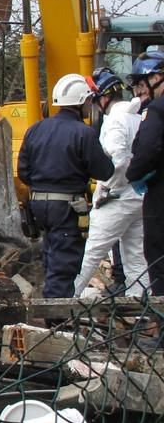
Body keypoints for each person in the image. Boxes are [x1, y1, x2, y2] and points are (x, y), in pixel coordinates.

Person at [17, 73, 114, 298]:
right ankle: (58, 322)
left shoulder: (36, 129)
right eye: (89, 101)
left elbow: (23, 171)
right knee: (64, 265)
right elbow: (104, 171)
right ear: (82, 102)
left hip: (38, 206)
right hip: (67, 208)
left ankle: (52, 309)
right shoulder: (83, 133)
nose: (91, 106)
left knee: (51, 256)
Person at [73, 68, 146, 298]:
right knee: (137, 259)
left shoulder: (115, 120)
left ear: (103, 97)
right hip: (138, 197)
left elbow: (119, 159)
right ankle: (141, 312)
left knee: (90, 255)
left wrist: (109, 188)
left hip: (117, 199)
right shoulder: (135, 116)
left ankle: (64, 303)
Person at [127, 51, 164, 294]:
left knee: (159, 258)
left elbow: (148, 149)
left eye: (142, 84)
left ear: (157, 78)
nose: (139, 92)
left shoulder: (158, 110)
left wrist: (134, 175)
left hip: (161, 197)